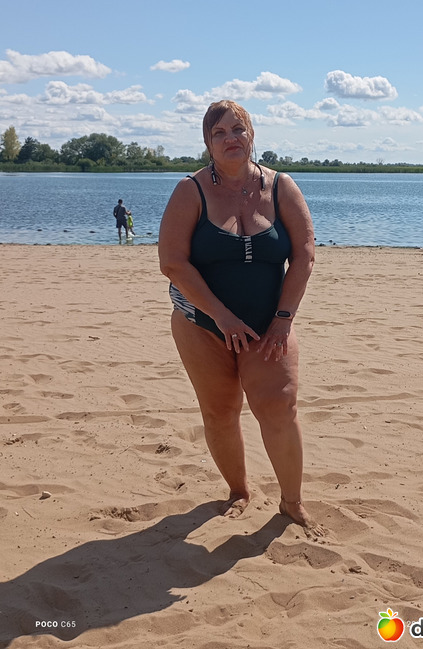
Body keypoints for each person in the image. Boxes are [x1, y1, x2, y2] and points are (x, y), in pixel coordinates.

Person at [158, 100, 323, 536]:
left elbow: (304, 255)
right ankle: (238, 492)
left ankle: (292, 503)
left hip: (269, 325)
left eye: (238, 129)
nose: (230, 138)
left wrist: (284, 319)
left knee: (279, 406)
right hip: (202, 324)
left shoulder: (281, 186)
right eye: (219, 133)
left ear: (252, 135)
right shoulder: (189, 191)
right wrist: (222, 317)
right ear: (208, 143)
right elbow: (172, 262)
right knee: (220, 411)